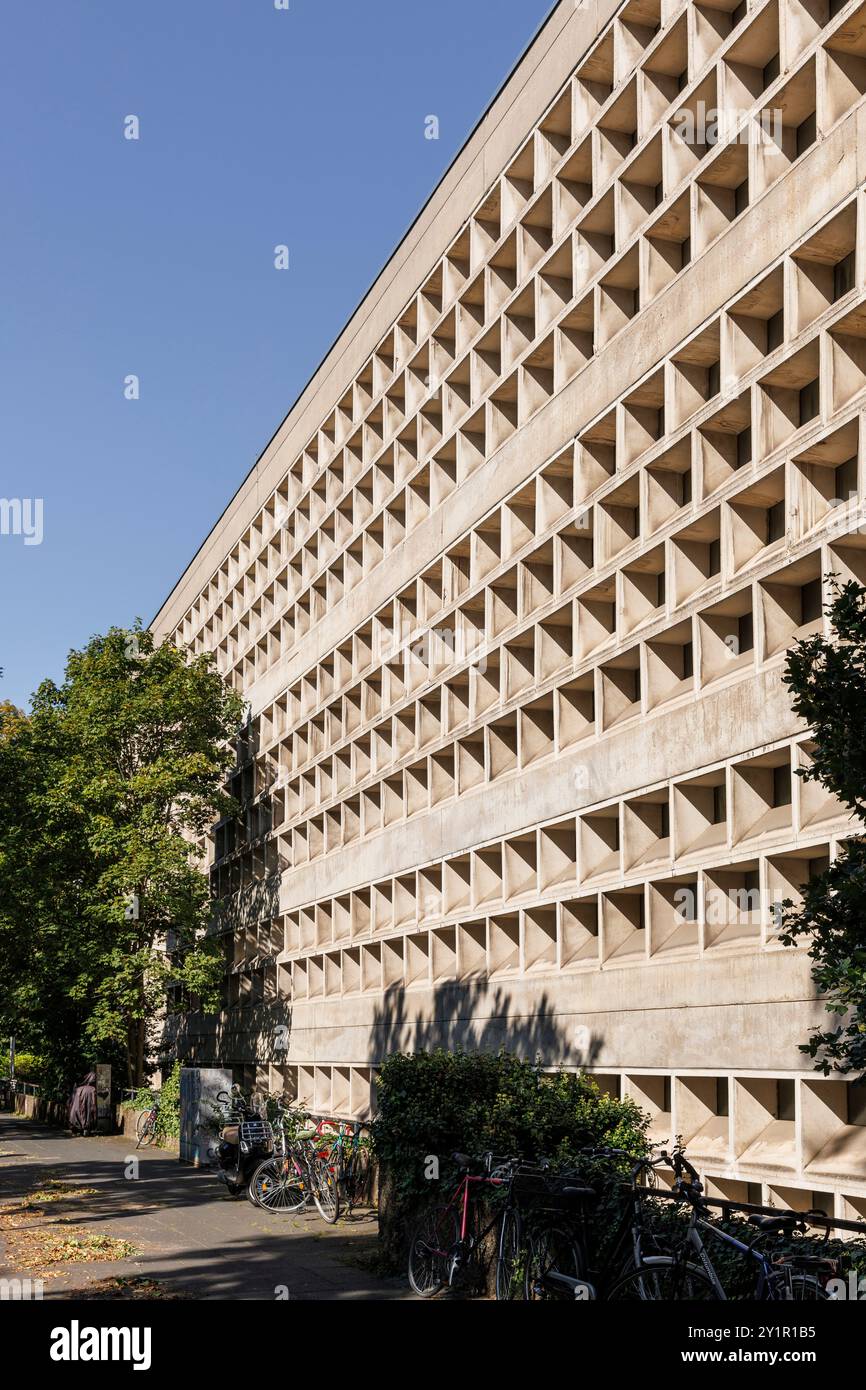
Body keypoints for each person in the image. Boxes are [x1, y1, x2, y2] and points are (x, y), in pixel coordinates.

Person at [68, 1071, 97, 1136]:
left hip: (76, 1109)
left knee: (76, 1116)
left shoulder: (78, 1088)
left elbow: (72, 1100)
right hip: (87, 1108)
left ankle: (76, 1130)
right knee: (87, 1115)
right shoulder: (92, 1089)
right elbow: (93, 1101)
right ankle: (85, 1129)